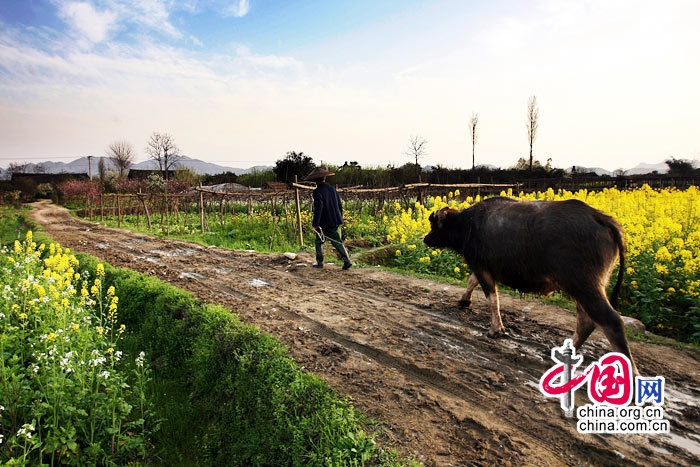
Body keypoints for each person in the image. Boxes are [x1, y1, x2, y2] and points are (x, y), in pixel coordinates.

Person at [304, 167, 352, 270]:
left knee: (318, 241)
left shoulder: (317, 192)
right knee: (337, 241)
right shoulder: (332, 189)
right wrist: (339, 217)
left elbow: (319, 209)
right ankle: (347, 260)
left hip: (324, 223)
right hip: (336, 220)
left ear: (314, 181)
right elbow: (339, 205)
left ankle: (320, 262)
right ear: (325, 178)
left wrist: (315, 224)